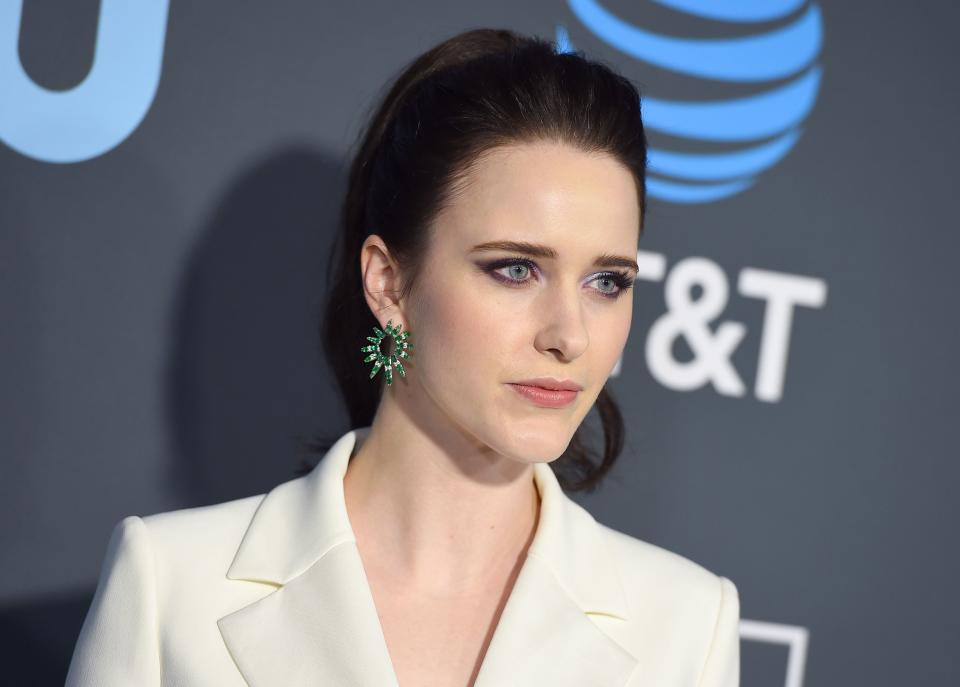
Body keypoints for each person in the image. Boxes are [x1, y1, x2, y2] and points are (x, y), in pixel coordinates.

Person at [65, 27, 739, 687]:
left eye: (606, 281)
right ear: (389, 282)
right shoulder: (170, 585)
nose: (570, 335)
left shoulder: (684, 627)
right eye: (514, 269)